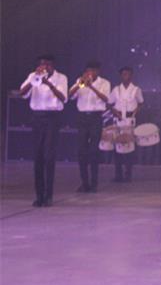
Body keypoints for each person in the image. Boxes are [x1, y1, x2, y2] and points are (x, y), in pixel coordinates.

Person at [19, 54, 68, 207]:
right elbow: (22, 93)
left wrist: (48, 84)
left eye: (47, 64)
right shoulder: (33, 76)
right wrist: (34, 81)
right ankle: (39, 195)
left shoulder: (61, 78)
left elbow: (63, 98)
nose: (44, 67)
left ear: (52, 65)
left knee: (49, 156)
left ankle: (48, 195)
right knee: (38, 157)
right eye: (41, 64)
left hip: (52, 118)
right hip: (37, 118)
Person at [68, 61, 111, 193]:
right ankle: (84, 182)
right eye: (88, 71)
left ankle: (94, 183)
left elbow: (106, 99)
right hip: (82, 118)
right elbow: (70, 95)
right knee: (81, 151)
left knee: (93, 151)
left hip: (95, 118)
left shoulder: (105, 83)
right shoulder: (80, 81)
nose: (90, 74)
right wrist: (80, 84)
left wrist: (91, 87)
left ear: (98, 71)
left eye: (92, 71)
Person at [108, 67, 144, 182]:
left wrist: (135, 112)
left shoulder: (136, 89)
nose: (125, 76)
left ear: (131, 76)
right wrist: (114, 111)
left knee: (129, 147)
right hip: (118, 119)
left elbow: (141, 103)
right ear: (120, 76)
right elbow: (109, 103)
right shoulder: (116, 89)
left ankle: (128, 173)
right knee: (117, 146)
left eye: (127, 74)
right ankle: (118, 174)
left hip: (129, 119)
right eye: (123, 74)